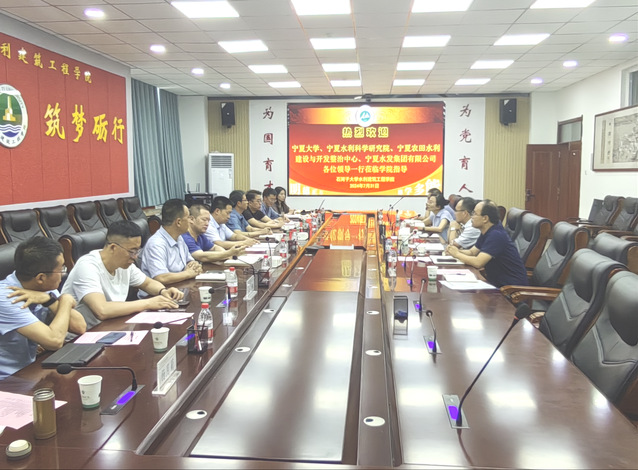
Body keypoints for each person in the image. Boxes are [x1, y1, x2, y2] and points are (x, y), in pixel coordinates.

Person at [61, 220, 184, 330]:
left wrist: (163, 291)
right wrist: (148, 303)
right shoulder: (87, 266)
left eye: (137, 251)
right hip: (83, 335)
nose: (135, 257)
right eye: (132, 251)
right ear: (113, 247)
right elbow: (102, 310)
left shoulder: (124, 264)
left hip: (112, 327)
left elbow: (147, 283)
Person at [0, 237, 86, 380]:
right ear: (41, 278)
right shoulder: (8, 297)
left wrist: (49, 300)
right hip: (7, 380)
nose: (63, 273)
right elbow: (54, 341)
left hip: (31, 370)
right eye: (61, 269)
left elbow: (80, 326)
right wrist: (65, 300)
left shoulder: (43, 286)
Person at [446, 201, 528, 288]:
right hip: (497, 283)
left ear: (485, 218)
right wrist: (453, 251)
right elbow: (472, 252)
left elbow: (478, 262)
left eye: (474, 214)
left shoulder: (496, 235)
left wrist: (457, 254)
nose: (471, 217)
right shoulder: (487, 230)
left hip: (510, 288)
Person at [140, 198, 202, 284]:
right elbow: (161, 278)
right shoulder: (156, 244)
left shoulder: (179, 237)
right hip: (161, 291)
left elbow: (189, 261)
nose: (191, 221)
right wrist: (188, 273)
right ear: (178, 222)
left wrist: (194, 264)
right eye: (188, 217)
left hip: (179, 286)